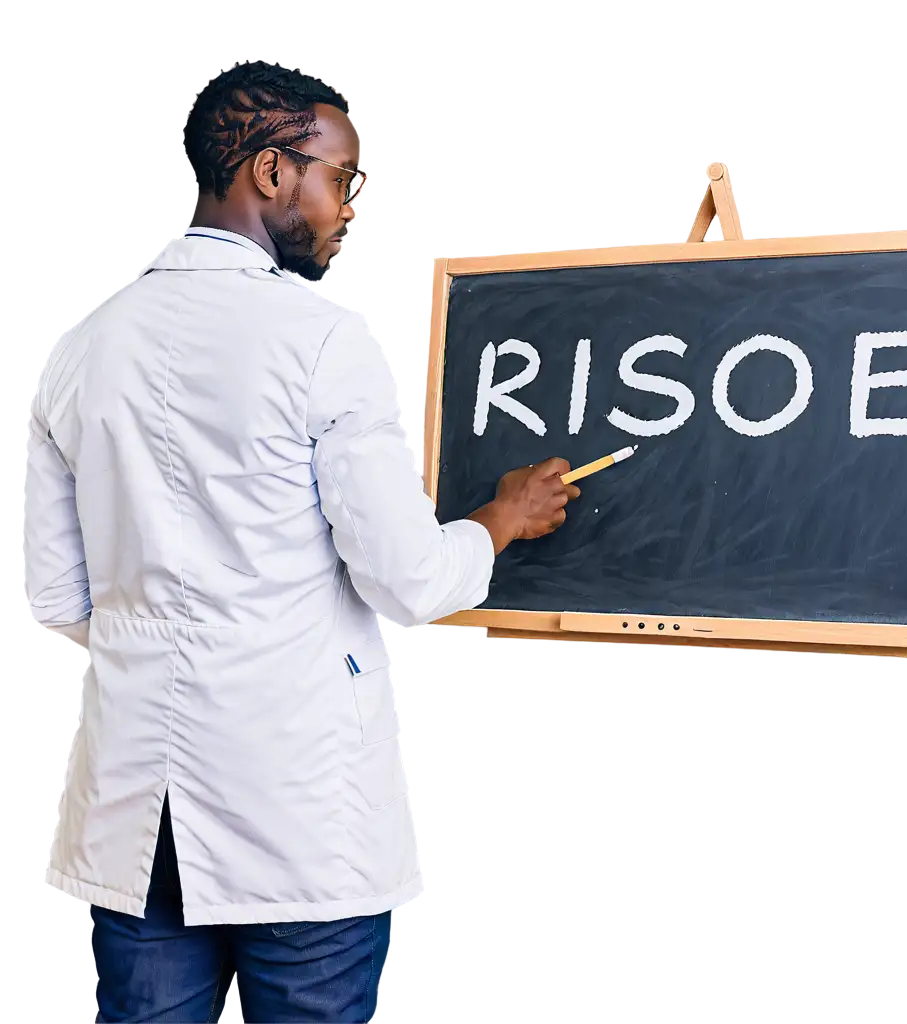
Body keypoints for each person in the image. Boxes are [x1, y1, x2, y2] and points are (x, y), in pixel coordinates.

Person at [23, 60, 579, 1022]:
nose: (348, 206)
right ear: (273, 174)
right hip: (295, 811)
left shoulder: (76, 352)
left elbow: (59, 604)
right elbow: (408, 580)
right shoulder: (323, 344)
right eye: (343, 178)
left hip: (134, 812)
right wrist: (501, 519)